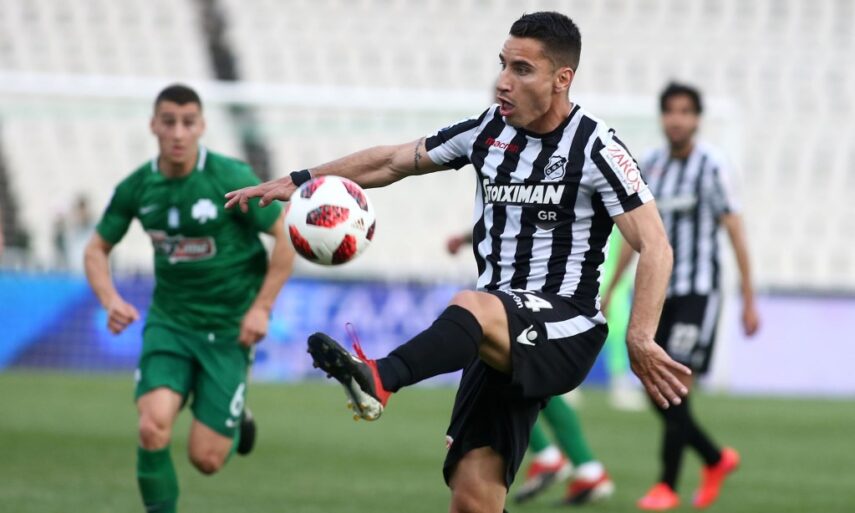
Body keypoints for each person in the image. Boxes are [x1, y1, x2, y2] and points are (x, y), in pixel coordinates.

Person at [227, 12, 690, 513]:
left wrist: (640, 336)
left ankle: (379, 377)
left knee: (473, 305)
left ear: (562, 79)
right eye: (503, 64)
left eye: (521, 69)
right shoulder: (488, 131)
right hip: (498, 330)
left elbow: (655, 244)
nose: (503, 81)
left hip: (565, 324)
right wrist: (300, 181)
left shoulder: (598, 147)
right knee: (472, 500)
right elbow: (392, 161)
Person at [84, 84, 294, 513]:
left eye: (187, 122)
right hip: (171, 324)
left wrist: (261, 308)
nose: (178, 132)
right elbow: (96, 249)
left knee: (207, 459)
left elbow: (285, 236)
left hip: (230, 328)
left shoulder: (229, 177)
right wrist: (110, 300)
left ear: (201, 126)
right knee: (152, 427)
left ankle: (234, 414)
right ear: (153, 125)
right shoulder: (137, 187)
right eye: (169, 122)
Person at [602, 82, 760, 510]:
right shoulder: (651, 166)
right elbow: (635, 238)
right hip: (657, 293)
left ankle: (667, 486)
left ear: (697, 119)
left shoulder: (713, 166)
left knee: (673, 387)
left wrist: (748, 298)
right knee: (656, 386)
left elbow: (736, 233)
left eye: (686, 111)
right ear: (662, 117)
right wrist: (611, 288)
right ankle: (715, 459)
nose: (677, 119)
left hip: (697, 293)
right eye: (671, 111)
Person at [447, 231, 613, 505]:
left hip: (551, 295)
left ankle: (564, 462)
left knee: (513, 371)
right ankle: (582, 467)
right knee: (525, 377)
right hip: (545, 290)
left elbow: (517, 218)